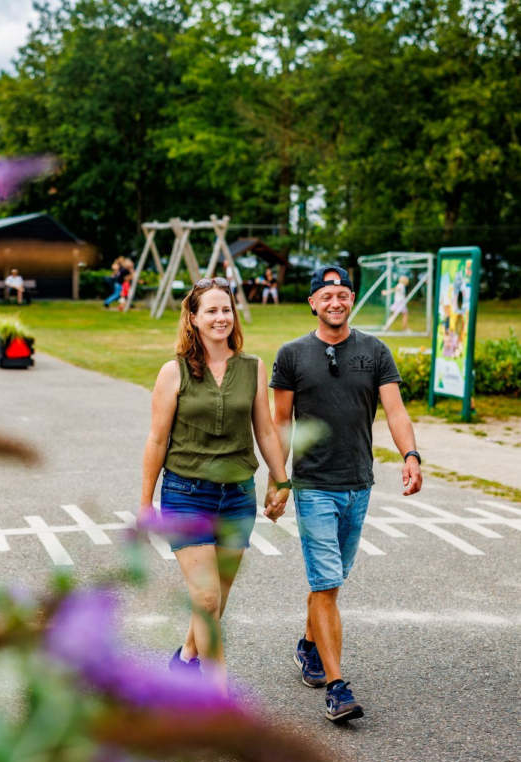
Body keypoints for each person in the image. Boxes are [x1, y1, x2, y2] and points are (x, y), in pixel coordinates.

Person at [269, 266, 423, 723]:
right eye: (326, 295)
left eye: (342, 294)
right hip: (314, 485)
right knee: (328, 583)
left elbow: (395, 410)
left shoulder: (374, 350)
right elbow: (280, 422)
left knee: (330, 582)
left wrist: (411, 455)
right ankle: (337, 688)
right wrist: (278, 480)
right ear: (313, 303)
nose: (335, 302)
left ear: (351, 298)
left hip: (359, 483)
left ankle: (308, 646)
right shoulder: (292, 354)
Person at [139, 277, 292, 686]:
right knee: (206, 599)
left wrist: (281, 481)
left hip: (237, 497)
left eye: (226, 309)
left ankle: (187, 655)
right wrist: (145, 502)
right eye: (211, 310)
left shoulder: (254, 368)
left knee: (213, 601)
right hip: (186, 494)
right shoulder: (173, 373)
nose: (220, 317)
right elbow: (157, 439)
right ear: (193, 317)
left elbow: (265, 429)